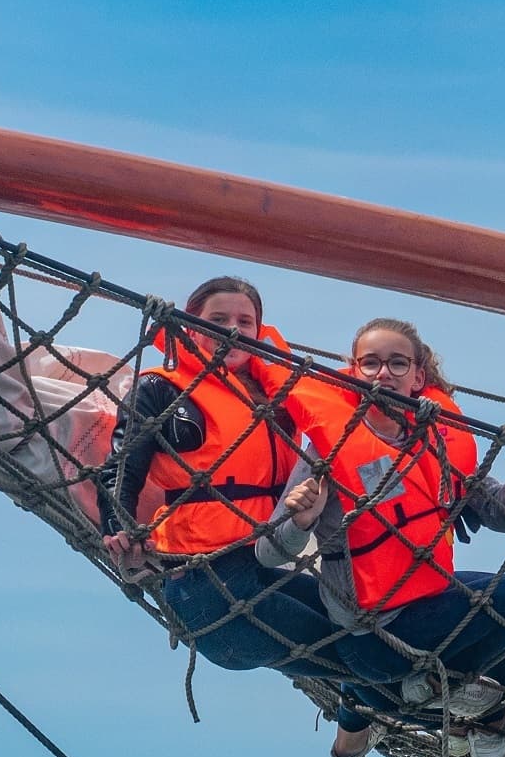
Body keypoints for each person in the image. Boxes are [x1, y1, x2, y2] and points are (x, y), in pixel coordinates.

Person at [262, 317, 505, 757]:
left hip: (427, 611)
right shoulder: (330, 448)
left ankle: (456, 715)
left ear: (419, 377)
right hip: (372, 636)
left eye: (397, 363)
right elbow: (269, 554)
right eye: (371, 363)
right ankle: (485, 722)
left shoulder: (441, 443)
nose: (384, 373)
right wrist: (299, 521)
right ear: (353, 371)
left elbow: (503, 516)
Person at [102, 275, 354, 690]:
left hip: (269, 557)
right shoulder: (161, 388)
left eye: (245, 321)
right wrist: (119, 531)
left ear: (259, 330)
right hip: (205, 580)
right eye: (217, 318)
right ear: (191, 325)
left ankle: (447, 720)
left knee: (364, 638)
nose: (232, 330)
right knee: (353, 655)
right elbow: (120, 469)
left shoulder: (279, 392)